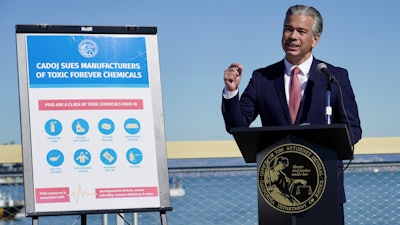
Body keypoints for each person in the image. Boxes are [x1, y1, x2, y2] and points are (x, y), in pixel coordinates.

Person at [221, 5, 362, 225]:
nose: (292, 36)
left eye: (301, 31)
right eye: (288, 29)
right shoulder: (262, 78)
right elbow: (236, 125)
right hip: (277, 195)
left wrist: (320, 141)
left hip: (324, 188)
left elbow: (353, 129)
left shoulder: (335, 77)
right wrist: (231, 92)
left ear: (315, 39)